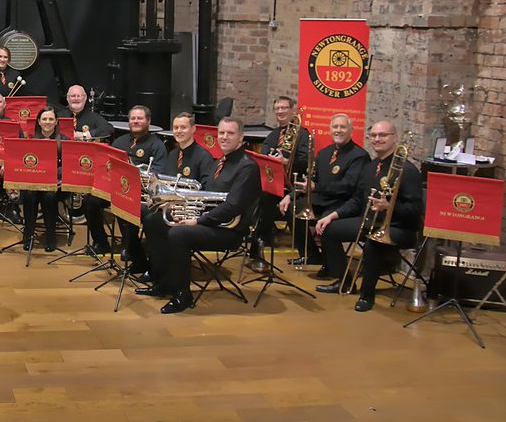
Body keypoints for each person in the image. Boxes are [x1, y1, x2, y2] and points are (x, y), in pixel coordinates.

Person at [137, 117, 261, 314]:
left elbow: (232, 206)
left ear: (241, 137)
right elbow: (204, 193)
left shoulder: (247, 167)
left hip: (228, 230)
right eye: (221, 133)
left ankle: (182, 294)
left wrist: (196, 220)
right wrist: (178, 208)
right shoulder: (221, 160)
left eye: (230, 133)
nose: (225, 137)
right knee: (154, 221)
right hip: (208, 221)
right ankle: (163, 282)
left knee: (179, 235)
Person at [314, 120, 423, 312]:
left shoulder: (408, 170)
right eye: (373, 136)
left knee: (373, 243)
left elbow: (415, 211)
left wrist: (390, 207)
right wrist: (333, 215)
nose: (377, 139)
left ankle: (367, 294)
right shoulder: (371, 167)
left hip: (399, 227)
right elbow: (357, 201)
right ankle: (345, 281)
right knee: (328, 230)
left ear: (394, 138)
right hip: (371, 222)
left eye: (383, 135)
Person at [278, 113, 369, 268]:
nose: (338, 130)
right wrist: (291, 196)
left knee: (327, 222)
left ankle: (331, 266)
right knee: (291, 208)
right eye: (335, 127)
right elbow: (311, 178)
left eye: (343, 127)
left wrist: (316, 187)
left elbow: (348, 186)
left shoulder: (359, 156)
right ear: (330, 130)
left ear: (351, 130)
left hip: (342, 204)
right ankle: (311, 255)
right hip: (322, 200)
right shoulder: (324, 153)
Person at [135, 111, 218, 277]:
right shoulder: (173, 154)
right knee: (143, 213)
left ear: (193, 129)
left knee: (153, 221)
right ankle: (154, 268)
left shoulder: (204, 157)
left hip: (190, 212)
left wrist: (178, 204)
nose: (179, 131)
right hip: (170, 207)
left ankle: (163, 272)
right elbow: (165, 185)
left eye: (183, 127)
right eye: (176, 127)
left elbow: (206, 191)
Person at [83, 105, 166, 263]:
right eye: (133, 118)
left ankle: (130, 247)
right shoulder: (119, 141)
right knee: (90, 201)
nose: (136, 121)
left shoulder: (157, 145)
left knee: (125, 204)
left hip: (139, 193)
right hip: (114, 187)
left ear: (148, 121)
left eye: (140, 118)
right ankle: (101, 242)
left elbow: (158, 175)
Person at [250, 95, 312, 272]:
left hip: (293, 184)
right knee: (256, 194)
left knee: (266, 197)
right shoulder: (273, 134)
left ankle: (261, 240)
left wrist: (285, 162)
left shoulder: (302, 134)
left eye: (284, 108)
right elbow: (264, 153)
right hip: (274, 183)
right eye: (277, 108)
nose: (280, 111)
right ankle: (259, 241)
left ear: (293, 110)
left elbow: (306, 161)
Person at [20, 105, 68, 252]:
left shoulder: (65, 140)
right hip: (34, 184)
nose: (47, 122)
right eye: (44, 119)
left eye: (51, 119)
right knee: (29, 195)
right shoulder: (31, 140)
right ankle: (28, 236)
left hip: (56, 185)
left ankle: (50, 237)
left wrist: (53, 173)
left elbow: (67, 166)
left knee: (49, 197)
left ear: (56, 122)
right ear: (39, 122)